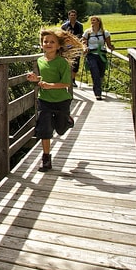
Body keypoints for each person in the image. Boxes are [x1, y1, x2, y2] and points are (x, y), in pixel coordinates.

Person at [27, 27, 84, 172]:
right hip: (45, 100)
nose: (48, 44)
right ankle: (46, 159)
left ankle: (67, 120)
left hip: (61, 100)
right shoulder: (40, 61)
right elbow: (42, 79)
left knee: (60, 129)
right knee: (44, 129)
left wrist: (50, 85)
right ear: (41, 44)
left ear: (58, 46)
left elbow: (66, 83)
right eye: (45, 41)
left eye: (52, 42)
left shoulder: (62, 63)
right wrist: (35, 79)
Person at [83, 15, 115, 100]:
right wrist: (85, 48)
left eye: (94, 20)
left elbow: (108, 44)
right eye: (92, 21)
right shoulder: (88, 32)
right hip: (91, 55)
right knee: (95, 72)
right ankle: (98, 93)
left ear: (99, 22)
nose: (92, 22)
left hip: (101, 55)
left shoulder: (105, 33)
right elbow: (84, 43)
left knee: (101, 74)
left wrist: (111, 47)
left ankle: (98, 87)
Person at [61, 9, 84, 88]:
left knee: (76, 64)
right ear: (69, 16)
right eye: (71, 15)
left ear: (76, 16)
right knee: (66, 63)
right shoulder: (64, 26)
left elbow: (81, 36)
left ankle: (73, 80)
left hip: (76, 47)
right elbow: (62, 37)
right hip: (67, 48)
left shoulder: (80, 25)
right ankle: (66, 79)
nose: (73, 17)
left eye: (74, 15)